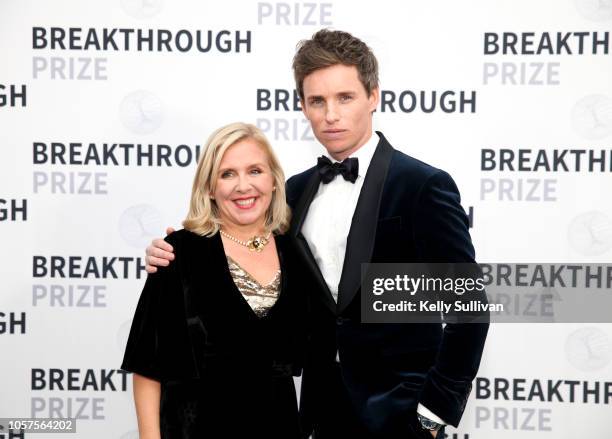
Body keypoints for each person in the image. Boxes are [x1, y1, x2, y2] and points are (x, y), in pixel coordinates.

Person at [146, 30, 489, 439]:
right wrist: (172, 253)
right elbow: (241, 251)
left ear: (373, 97)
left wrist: (432, 413)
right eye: (317, 101)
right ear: (303, 106)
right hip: (316, 415)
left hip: (401, 414)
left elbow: (468, 306)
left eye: (345, 98)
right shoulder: (294, 191)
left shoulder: (421, 186)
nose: (331, 115)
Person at [121, 122, 309, 439]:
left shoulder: (296, 249)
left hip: (279, 425)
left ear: (274, 181)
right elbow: (148, 368)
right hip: (195, 428)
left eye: (254, 171)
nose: (243, 186)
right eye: (227, 174)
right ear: (210, 187)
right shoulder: (178, 252)